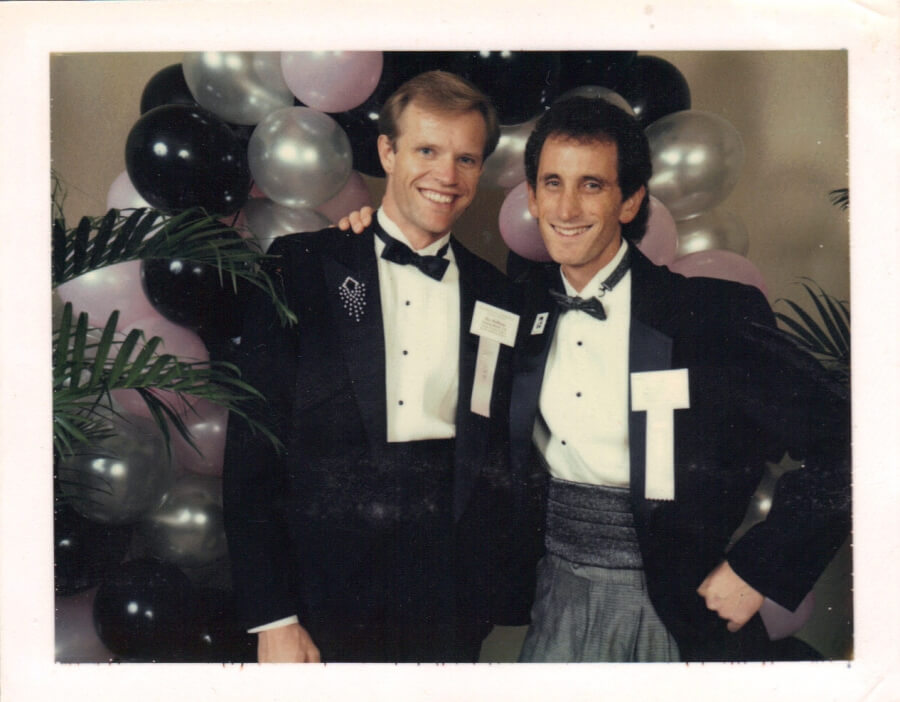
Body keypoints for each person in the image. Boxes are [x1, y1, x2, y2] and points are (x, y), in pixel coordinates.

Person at [508, 96, 850, 662]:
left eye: (591, 185)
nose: (566, 207)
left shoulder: (711, 314)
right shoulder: (517, 310)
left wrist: (758, 566)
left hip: (668, 607)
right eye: (552, 183)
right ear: (532, 196)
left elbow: (852, 440)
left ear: (631, 200)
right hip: (554, 599)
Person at [222, 71, 538, 663]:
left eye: (466, 159)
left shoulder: (499, 296)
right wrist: (274, 617)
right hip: (323, 591)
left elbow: (501, 451)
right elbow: (250, 453)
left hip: (448, 593)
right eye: (426, 150)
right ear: (387, 152)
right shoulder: (303, 267)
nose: (446, 176)